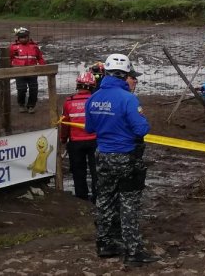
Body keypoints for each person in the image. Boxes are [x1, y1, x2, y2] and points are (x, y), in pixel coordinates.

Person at [85, 53, 155, 266]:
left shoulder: (93, 98)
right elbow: (142, 128)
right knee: (129, 203)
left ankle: (105, 243)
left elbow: (90, 128)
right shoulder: (128, 99)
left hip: (103, 155)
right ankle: (133, 252)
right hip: (126, 156)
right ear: (125, 75)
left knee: (105, 199)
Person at [60, 71, 98, 201]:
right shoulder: (96, 101)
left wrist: (63, 139)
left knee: (78, 171)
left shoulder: (68, 102)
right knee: (96, 170)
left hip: (75, 143)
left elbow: (65, 124)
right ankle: (97, 196)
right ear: (93, 86)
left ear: (78, 85)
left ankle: (81, 197)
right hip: (95, 141)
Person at [10, 27, 45, 113]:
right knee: (21, 89)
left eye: (25, 37)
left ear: (28, 37)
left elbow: (40, 58)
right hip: (19, 72)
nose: (23, 39)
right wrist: (10, 69)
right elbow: (10, 58)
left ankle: (31, 106)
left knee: (34, 90)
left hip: (33, 72)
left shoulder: (34, 47)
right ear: (18, 38)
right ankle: (21, 104)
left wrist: (43, 66)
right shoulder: (13, 47)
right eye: (21, 37)